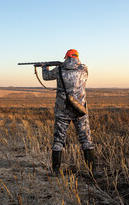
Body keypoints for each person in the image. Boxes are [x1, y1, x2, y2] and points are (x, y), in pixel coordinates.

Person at [42, 49, 99, 177]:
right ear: (77, 57)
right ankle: (93, 171)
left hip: (62, 110)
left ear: (65, 57)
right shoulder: (83, 69)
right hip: (80, 110)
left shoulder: (59, 70)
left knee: (58, 140)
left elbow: (46, 77)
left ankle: (56, 170)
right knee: (86, 139)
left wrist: (44, 67)